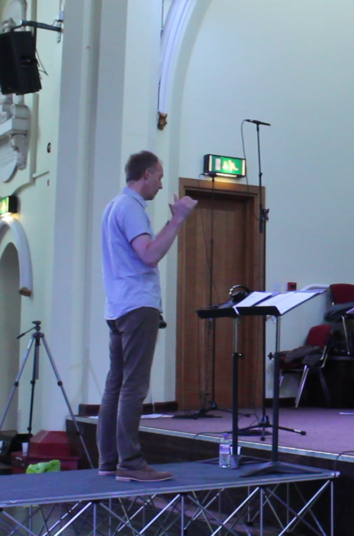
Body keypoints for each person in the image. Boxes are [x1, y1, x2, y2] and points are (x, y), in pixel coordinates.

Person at [99, 151, 197, 482]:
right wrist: (178, 219)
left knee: (117, 384)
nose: (161, 183)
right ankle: (130, 463)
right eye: (159, 175)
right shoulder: (130, 209)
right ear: (145, 174)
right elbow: (150, 255)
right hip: (137, 306)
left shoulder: (114, 206)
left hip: (117, 306)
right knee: (133, 387)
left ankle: (108, 461)